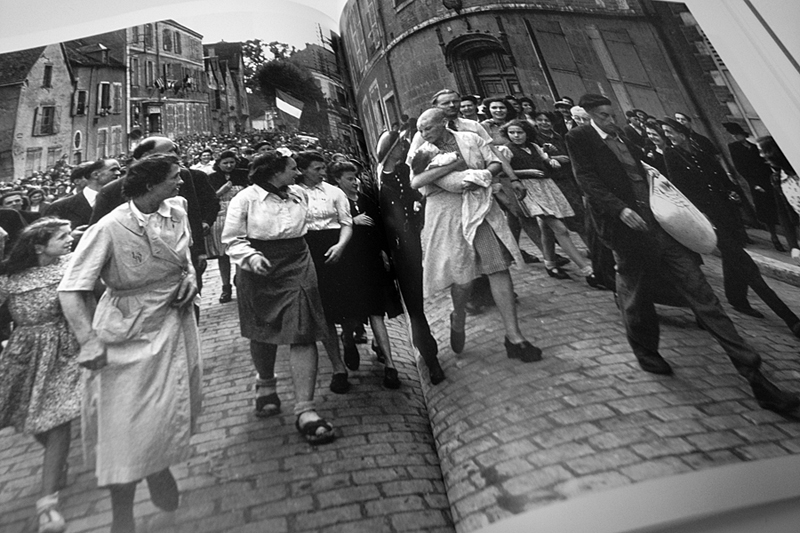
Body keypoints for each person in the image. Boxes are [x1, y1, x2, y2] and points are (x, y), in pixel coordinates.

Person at [565, 93, 799, 414]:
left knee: (703, 294)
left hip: (660, 227)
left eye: (611, 114)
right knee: (635, 298)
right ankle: (646, 351)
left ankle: (754, 375)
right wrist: (619, 209)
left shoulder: (623, 137)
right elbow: (587, 180)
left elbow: (645, 172)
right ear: (590, 115)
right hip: (625, 232)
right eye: (603, 115)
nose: (610, 120)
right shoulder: (579, 138)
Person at [58, 153, 203, 533]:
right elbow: (70, 289)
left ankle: (157, 469)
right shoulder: (109, 227)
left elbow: (183, 256)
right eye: (174, 177)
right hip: (126, 331)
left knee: (166, 409)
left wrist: (189, 276)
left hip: (172, 321)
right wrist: (88, 341)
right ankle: (122, 512)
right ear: (150, 185)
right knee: (121, 425)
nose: (180, 182)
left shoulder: (177, 210)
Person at [409, 108, 542, 363]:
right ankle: (458, 315)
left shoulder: (470, 138)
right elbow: (416, 181)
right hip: (448, 214)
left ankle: (514, 337)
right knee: (463, 278)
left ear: (444, 122)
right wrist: (456, 167)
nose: (424, 133)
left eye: (428, 128)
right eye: (420, 129)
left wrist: (485, 174)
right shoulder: (422, 150)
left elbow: (494, 161)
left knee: (497, 266)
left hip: (480, 210)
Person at [221, 150, 336, 442]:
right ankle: (266, 384)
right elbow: (231, 240)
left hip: (297, 262)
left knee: (303, 329)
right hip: (258, 266)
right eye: (292, 168)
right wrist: (250, 257)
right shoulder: (245, 199)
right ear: (274, 172)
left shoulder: (298, 194)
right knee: (262, 330)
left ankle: (305, 409)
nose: (297, 173)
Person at [661, 117, 800, 339]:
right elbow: (681, 190)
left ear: (682, 132)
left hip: (727, 213)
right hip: (709, 218)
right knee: (746, 264)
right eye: (666, 133)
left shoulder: (701, 151)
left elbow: (722, 178)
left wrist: (732, 192)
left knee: (732, 257)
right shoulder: (672, 155)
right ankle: (790, 319)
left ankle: (736, 299)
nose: (668, 136)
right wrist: (701, 215)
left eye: (670, 131)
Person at [0, 218, 80, 533]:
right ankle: (56, 462)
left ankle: (47, 504)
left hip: (65, 348)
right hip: (24, 351)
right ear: (38, 247)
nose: (69, 239)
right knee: (27, 413)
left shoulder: (71, 264)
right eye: (61, 236)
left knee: (57, 419)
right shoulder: (10, 277)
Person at [374, 130, 444, 384]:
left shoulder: (405, 171)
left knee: (416, 304)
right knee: (408, 304)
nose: (404, 148)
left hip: (414, 241)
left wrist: (420, 206)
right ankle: (428, 357)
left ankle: (429, 354)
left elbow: (416, 195)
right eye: (399, 145)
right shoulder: (379, 182)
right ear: (391, 150)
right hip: (395, 249)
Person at [329, 161, 403, 388]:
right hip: (348, 265)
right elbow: (327, 228)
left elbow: (379, 227)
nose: (355, 182)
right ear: (338, 180)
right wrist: (352, 221)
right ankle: (348, 339)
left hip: (371, 262)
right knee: (352, 314)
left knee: (376, 312)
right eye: (350, 178)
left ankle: (390, 365)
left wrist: (383, 251)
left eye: (356, 178)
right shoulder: (333, 201)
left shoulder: (366, 200)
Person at [500, 119, 598, 286]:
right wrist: (527, 172)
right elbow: (503, 172)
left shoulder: (534, 147)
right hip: (528, 191)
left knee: (547, 228)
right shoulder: (506, 150)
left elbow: (544, 159)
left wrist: (550, 161)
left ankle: (550, 264)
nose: (516, 136)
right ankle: (587, 270)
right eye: (512, 133)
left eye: (520, 132)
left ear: (527, 133)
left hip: (546, 187)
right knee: (560, 228)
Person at [295, 150, 352, 394]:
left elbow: (346, 222)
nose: (322, 172)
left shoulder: (334, 192)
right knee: (324, 310)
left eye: (323, 168)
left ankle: (349, 337)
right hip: (308, 251)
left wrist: (340, 245)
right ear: (303, 170)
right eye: (317, 169)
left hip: (336, 246)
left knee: (347, 305)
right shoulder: (293, 194)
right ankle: (338, 368)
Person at [723, 122, 788, 251]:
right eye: (733, 135)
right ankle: (774, 237)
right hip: (756, 182)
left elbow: (766, 163)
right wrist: (754, 184)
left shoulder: (754, 147)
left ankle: (787, 236)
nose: (735, 137)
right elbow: (740, 168)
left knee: (779, 208)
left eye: (737, 134)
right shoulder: (734, 148)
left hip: (767, 179)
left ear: (743, 134)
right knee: (766, 211)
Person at [205, 150, 249, 303]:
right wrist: (222, 190)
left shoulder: (243, 175)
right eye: (225, 163)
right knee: (223, 254)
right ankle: (226, 287)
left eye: (232, 162)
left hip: (241, 215)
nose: (229, 166)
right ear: (218, 164)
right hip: (221, 216)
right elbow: (209, 199)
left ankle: (242, 283)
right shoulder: (211, 178)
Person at [756, 135, 800, 265]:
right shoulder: (777, 179)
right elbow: (783, 214)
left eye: (762, 151)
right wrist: (793, 246)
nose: (761, 155)